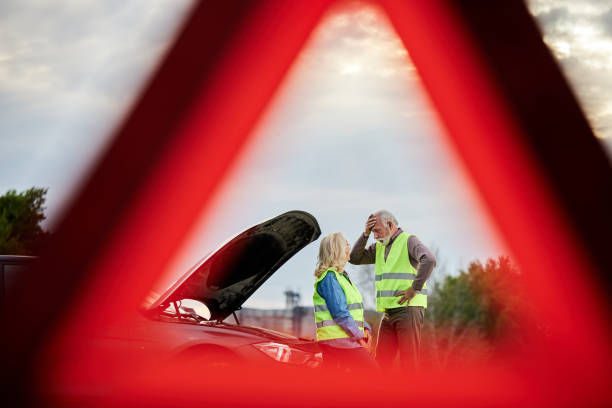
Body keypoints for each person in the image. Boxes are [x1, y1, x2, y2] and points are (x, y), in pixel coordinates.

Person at [349, 210, 436, 371]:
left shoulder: (409, 241)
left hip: (409, 310)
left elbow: (429, 259)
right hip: (389, 313)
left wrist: (414, 289)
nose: (375, 236)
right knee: (380, 363)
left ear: (390, 224)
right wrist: (365, 234)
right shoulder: (379, 247)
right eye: (373, 232)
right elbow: (354, 258)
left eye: (377, 231)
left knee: (408, 364)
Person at [313, 232, 379, 371]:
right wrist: (360, 337)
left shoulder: (341, 277)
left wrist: (366, 328)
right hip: (338, 341)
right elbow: (340, 313)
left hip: (345, 339)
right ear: (337, 250)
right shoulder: (330, 278)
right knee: (374, 373)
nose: (350, 248)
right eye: (347, 245)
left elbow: (353, 310)